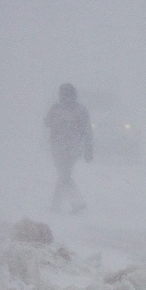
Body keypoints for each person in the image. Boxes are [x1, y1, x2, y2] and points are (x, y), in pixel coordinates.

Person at [44, 83, 93, 213]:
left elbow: (87, 130)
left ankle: (77, 202)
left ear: (74, 95)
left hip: (73, 148)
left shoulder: (80, 110)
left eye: (68, 94)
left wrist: (89, 149)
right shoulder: (56, 108)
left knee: (64, 175)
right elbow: (46, 122)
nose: (65, 97)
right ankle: (56, 205)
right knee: (64, 175)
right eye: (63, 94)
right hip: (57, 148)